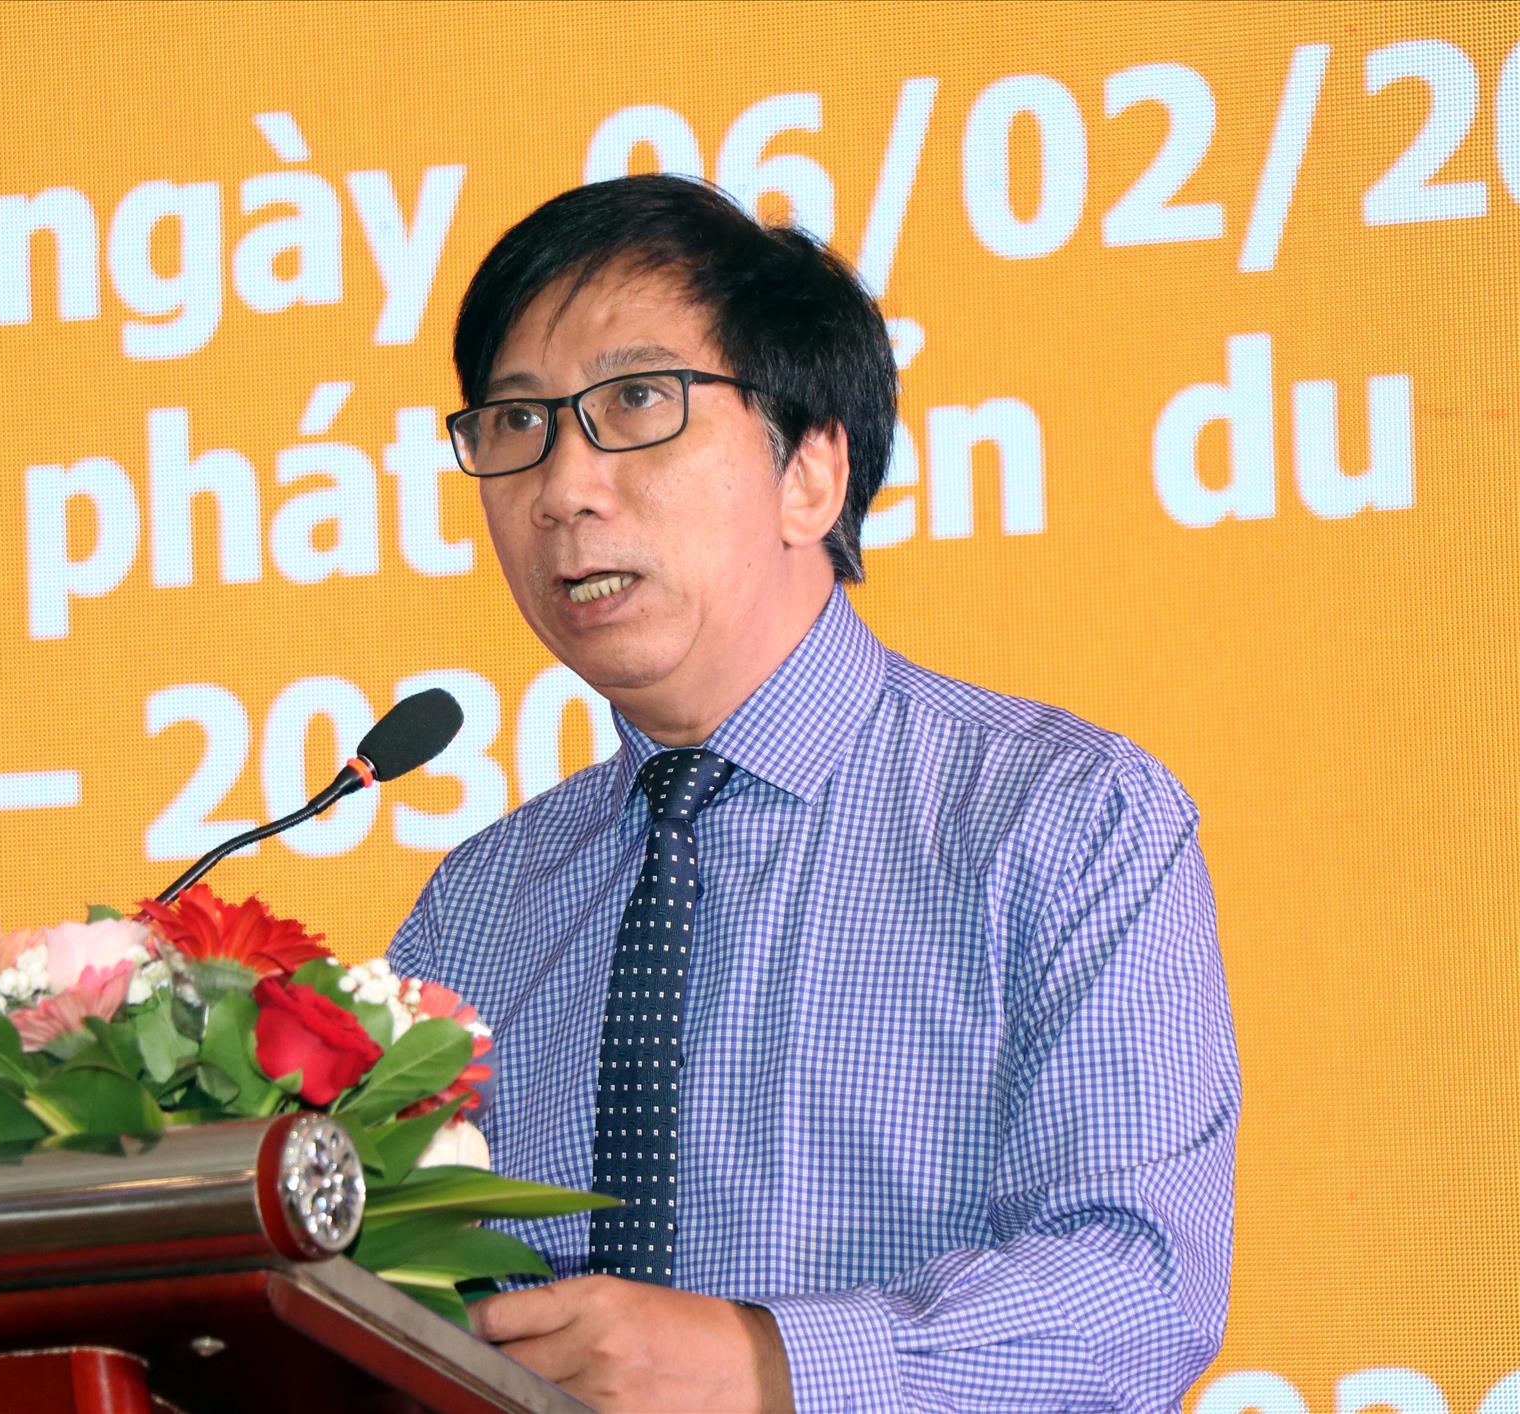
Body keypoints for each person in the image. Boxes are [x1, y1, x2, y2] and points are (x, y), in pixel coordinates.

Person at [385, 174, 1239, 1413]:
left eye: (636, 401)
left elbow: (1138, 1293)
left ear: (812, 474)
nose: (563, 487)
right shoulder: (476, 911)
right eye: (517, 422)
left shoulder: (1061, 816)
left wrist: (769, 1366)